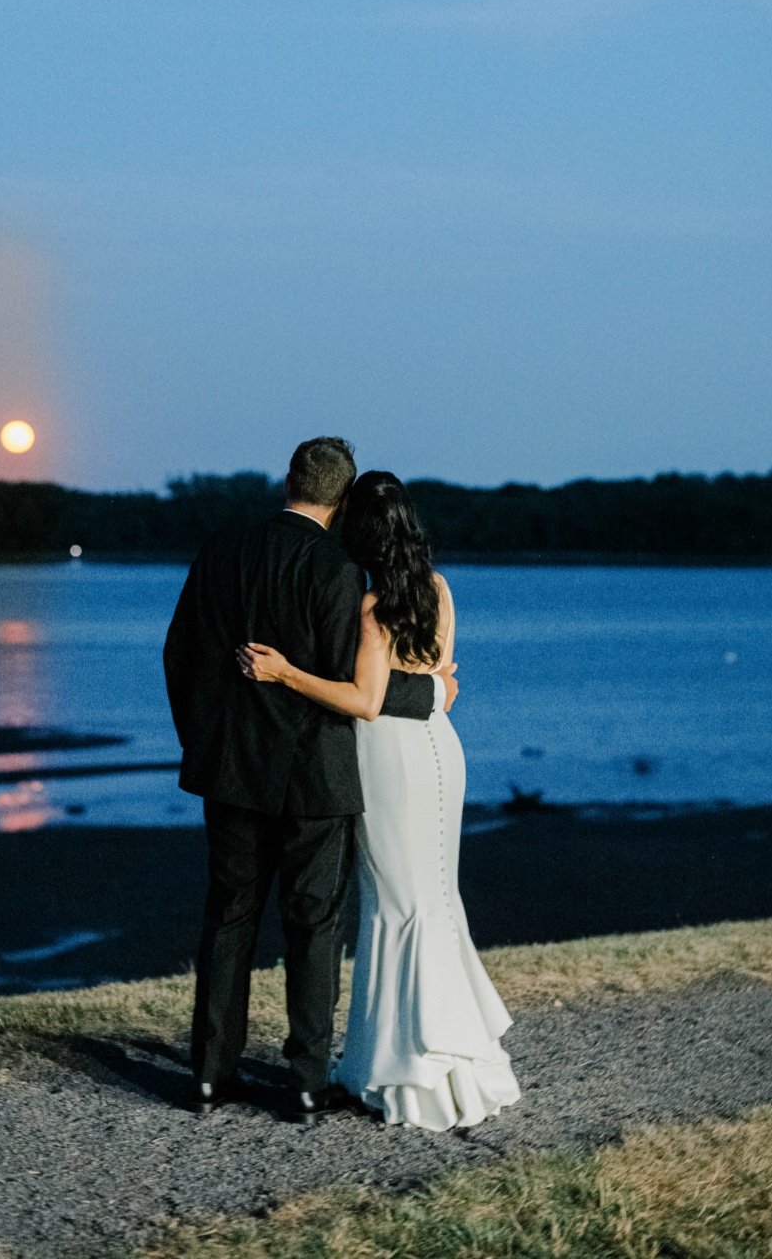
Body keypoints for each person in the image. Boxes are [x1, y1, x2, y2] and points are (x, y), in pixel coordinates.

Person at [237, 469, 520, 1131]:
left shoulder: (370, 608)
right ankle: (451, 1061)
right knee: (435, 899)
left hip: (391, 758)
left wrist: (285, 672)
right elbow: (440, 679)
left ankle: (409, 1074)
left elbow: (365, 702)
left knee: (396, 905)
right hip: (441, 750)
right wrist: (431, 689)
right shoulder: (439, 591)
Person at [163, 436, 380, 1125]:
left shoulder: (221, 552)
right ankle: (308, 1086)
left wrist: (204, 740)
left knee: (228, 919)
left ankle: (208, 1076)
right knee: (312, 927)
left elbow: (179, 655)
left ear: (286, 481)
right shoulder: (340, 571)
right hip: (313, 777)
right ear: (342, 502)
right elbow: (350, 684)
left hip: (231, 772)